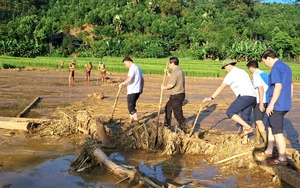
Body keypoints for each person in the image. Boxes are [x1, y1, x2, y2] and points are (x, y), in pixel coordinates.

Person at [202, 58, 256, 144]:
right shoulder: (242, 71)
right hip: (253, 97)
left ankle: (248, 128)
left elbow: (221, 87)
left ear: (228, 65)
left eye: (225, 68)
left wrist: (211, 97)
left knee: (230, 112)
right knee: (245, 117)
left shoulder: (232, 74)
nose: (225, 70)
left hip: (244, 96)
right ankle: (245, 140)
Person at [256, 50, 293, 165]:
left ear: (269, 58)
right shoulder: (286, 67)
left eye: (265, 62)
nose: (266, 65)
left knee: (277, 132)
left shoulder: (276, 68)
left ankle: (282, 158)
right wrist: (288, 100)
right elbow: (291, 86)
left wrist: (271, 105)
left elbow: (278, 87)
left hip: (277, 104)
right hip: (284, 103)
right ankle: (269, 151)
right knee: (270, 127)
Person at [246, 60, 269, 149]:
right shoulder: (264, 74)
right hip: (268, 100)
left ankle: (266, 142)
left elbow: (260, 88)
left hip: (261, 100)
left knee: (259, 120)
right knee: (257, 119)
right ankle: (257, 139)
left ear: (251, 67)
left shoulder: (256, 75)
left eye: (249, 69)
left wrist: (260, 102)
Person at [161, 57, 187, 132]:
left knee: (178, 114)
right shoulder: (179, 70)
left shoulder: (175, 72)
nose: (168, 65)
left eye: (169, 64)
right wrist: (168, 74)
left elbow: (171, 84)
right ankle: (167, 124)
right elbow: (175, 79)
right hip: (178, 95)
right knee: (168, 108)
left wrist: (164, 87)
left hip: (176, 95)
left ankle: (184, 129)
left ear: (172, 63)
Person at [119, 57, 144, 125]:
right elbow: (142, 80)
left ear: (129, 62)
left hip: (132, 90)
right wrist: (141, 88)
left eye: (125, 64)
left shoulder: (132, 68)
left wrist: (122, 83)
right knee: (132, 105)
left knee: (131, 107)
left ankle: (136, 121)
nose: (125, 66)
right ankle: (130, 119)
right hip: (138, 90)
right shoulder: (138, 68)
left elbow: (130, 79)